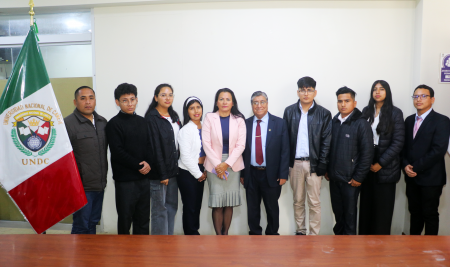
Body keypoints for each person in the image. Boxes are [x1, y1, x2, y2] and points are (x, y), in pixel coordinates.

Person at [283, 76, 332, 235]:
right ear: (298, 92)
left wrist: (322, 165)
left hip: (314, 164)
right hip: (295, 164)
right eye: (303, 90)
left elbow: (326, 141)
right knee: (298, 201)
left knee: (314, 202)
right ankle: (300, 232)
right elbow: (284, 140)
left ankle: (314, 235)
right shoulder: (289, 111)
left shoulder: (324, 113)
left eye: (309, 90)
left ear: (315, 92)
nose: (306, 93)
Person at [105, 83, 152, 235]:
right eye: (125, 100)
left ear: (137, 100)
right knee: (125, 219)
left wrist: (148, 163)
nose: (130, 103)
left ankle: (141, 253)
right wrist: (139, 165)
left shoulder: (143, 122)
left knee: (143, 219)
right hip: (125, 181)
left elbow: (149, 146)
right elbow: (118, 152)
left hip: (143, 179)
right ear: (117, 102)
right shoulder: (113, 124)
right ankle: (124, 254)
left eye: (132, 99)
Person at [403, 84, 450, 235]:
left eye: (423, 96)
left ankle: (430, 251)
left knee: (429, 214)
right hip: (411, 178)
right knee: (415, 214)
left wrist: (414, 167)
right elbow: (403, 147)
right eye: (416, 96)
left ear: (432, 99)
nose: (419, 99)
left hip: (431, 178)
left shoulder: (441, 120)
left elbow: (438, 150)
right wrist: (405, 166)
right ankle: (413, 248)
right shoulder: (409, 120)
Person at [325, 86, 373, 235]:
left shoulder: (361, 123)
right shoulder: (334, 121)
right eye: (340, 101)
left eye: (347, 101)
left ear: (355, 103)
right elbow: (328, 148)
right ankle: (339, 248)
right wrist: (327, 170)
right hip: (334, 178)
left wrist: (358, 177)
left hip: (351, 180)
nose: (343, 104)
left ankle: (349, 252)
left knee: (350, 217)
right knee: (338, 215)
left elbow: (367, 153)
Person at [359, 80, 405, 235]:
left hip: (386, 164)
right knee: (366, 205)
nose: (377, 92)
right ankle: (365, 242)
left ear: (387, 92)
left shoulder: (395, 112)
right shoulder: (366, 111)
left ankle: (381, 245)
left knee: (383, 208)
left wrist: (381, 163)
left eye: (381, 89)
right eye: (375, 89)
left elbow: (398, 143)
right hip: (367, 159)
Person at [241, 91, 289, 235]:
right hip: (251, 173)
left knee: (272, 208)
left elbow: (285, 150)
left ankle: (272, 235)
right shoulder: (245, 124)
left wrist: (283, 174)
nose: (259, 105)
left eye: (262, 102)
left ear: (267, 104)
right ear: (252, 105)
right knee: (252, 208)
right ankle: (255, 235)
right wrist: (243, 174)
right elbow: (242, 151)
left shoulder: (279, 123)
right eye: (255, 102)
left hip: (272, 174)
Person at [202, 88, 246, 235]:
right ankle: (218, 236)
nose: (224, 102)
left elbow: (241, 145)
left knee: (229, 202)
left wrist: (226, 164)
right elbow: (206, 143)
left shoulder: (239, 120)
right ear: (217, 102)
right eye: (221, 99)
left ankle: (225, 234)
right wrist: (218, 165)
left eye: (228, 99)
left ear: (232, 102)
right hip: (213, 163)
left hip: (233, 164)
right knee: (217, 203)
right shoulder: (209, 118)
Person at [65, 86, 108, 234]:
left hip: (99, 184)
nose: (87, 102)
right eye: (83, 98)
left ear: (95, 100)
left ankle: (89, 257)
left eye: (91, 98)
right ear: (75, 102)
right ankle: (77, 257)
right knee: (81, 225)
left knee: (93, 223)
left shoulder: (103, 122)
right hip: (81, 187)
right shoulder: (67, 124)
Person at [145, 84, 181, 235]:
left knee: (172, 207)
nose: (167, 98)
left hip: (174, 171)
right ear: (156, 97)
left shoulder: (174, 117)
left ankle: (169, 241)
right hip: (160, 173)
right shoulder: (152, 118)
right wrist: (163, 173)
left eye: (170, 95)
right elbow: (155, 147)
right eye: (163, 95)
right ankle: (159, 246)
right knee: (160, 210)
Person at [177, 96, 207, 235]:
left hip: (201, 170)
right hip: (187, 172)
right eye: (192, 108)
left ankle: (194, 233)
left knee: (197, 205)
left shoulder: (206, 126)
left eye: (198, 107)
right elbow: (185, 156)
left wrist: (204, 171)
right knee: (190, 206)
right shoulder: (186, 130)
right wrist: (198, 174)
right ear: (187, 111)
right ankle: (190, 234)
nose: (196, 111)